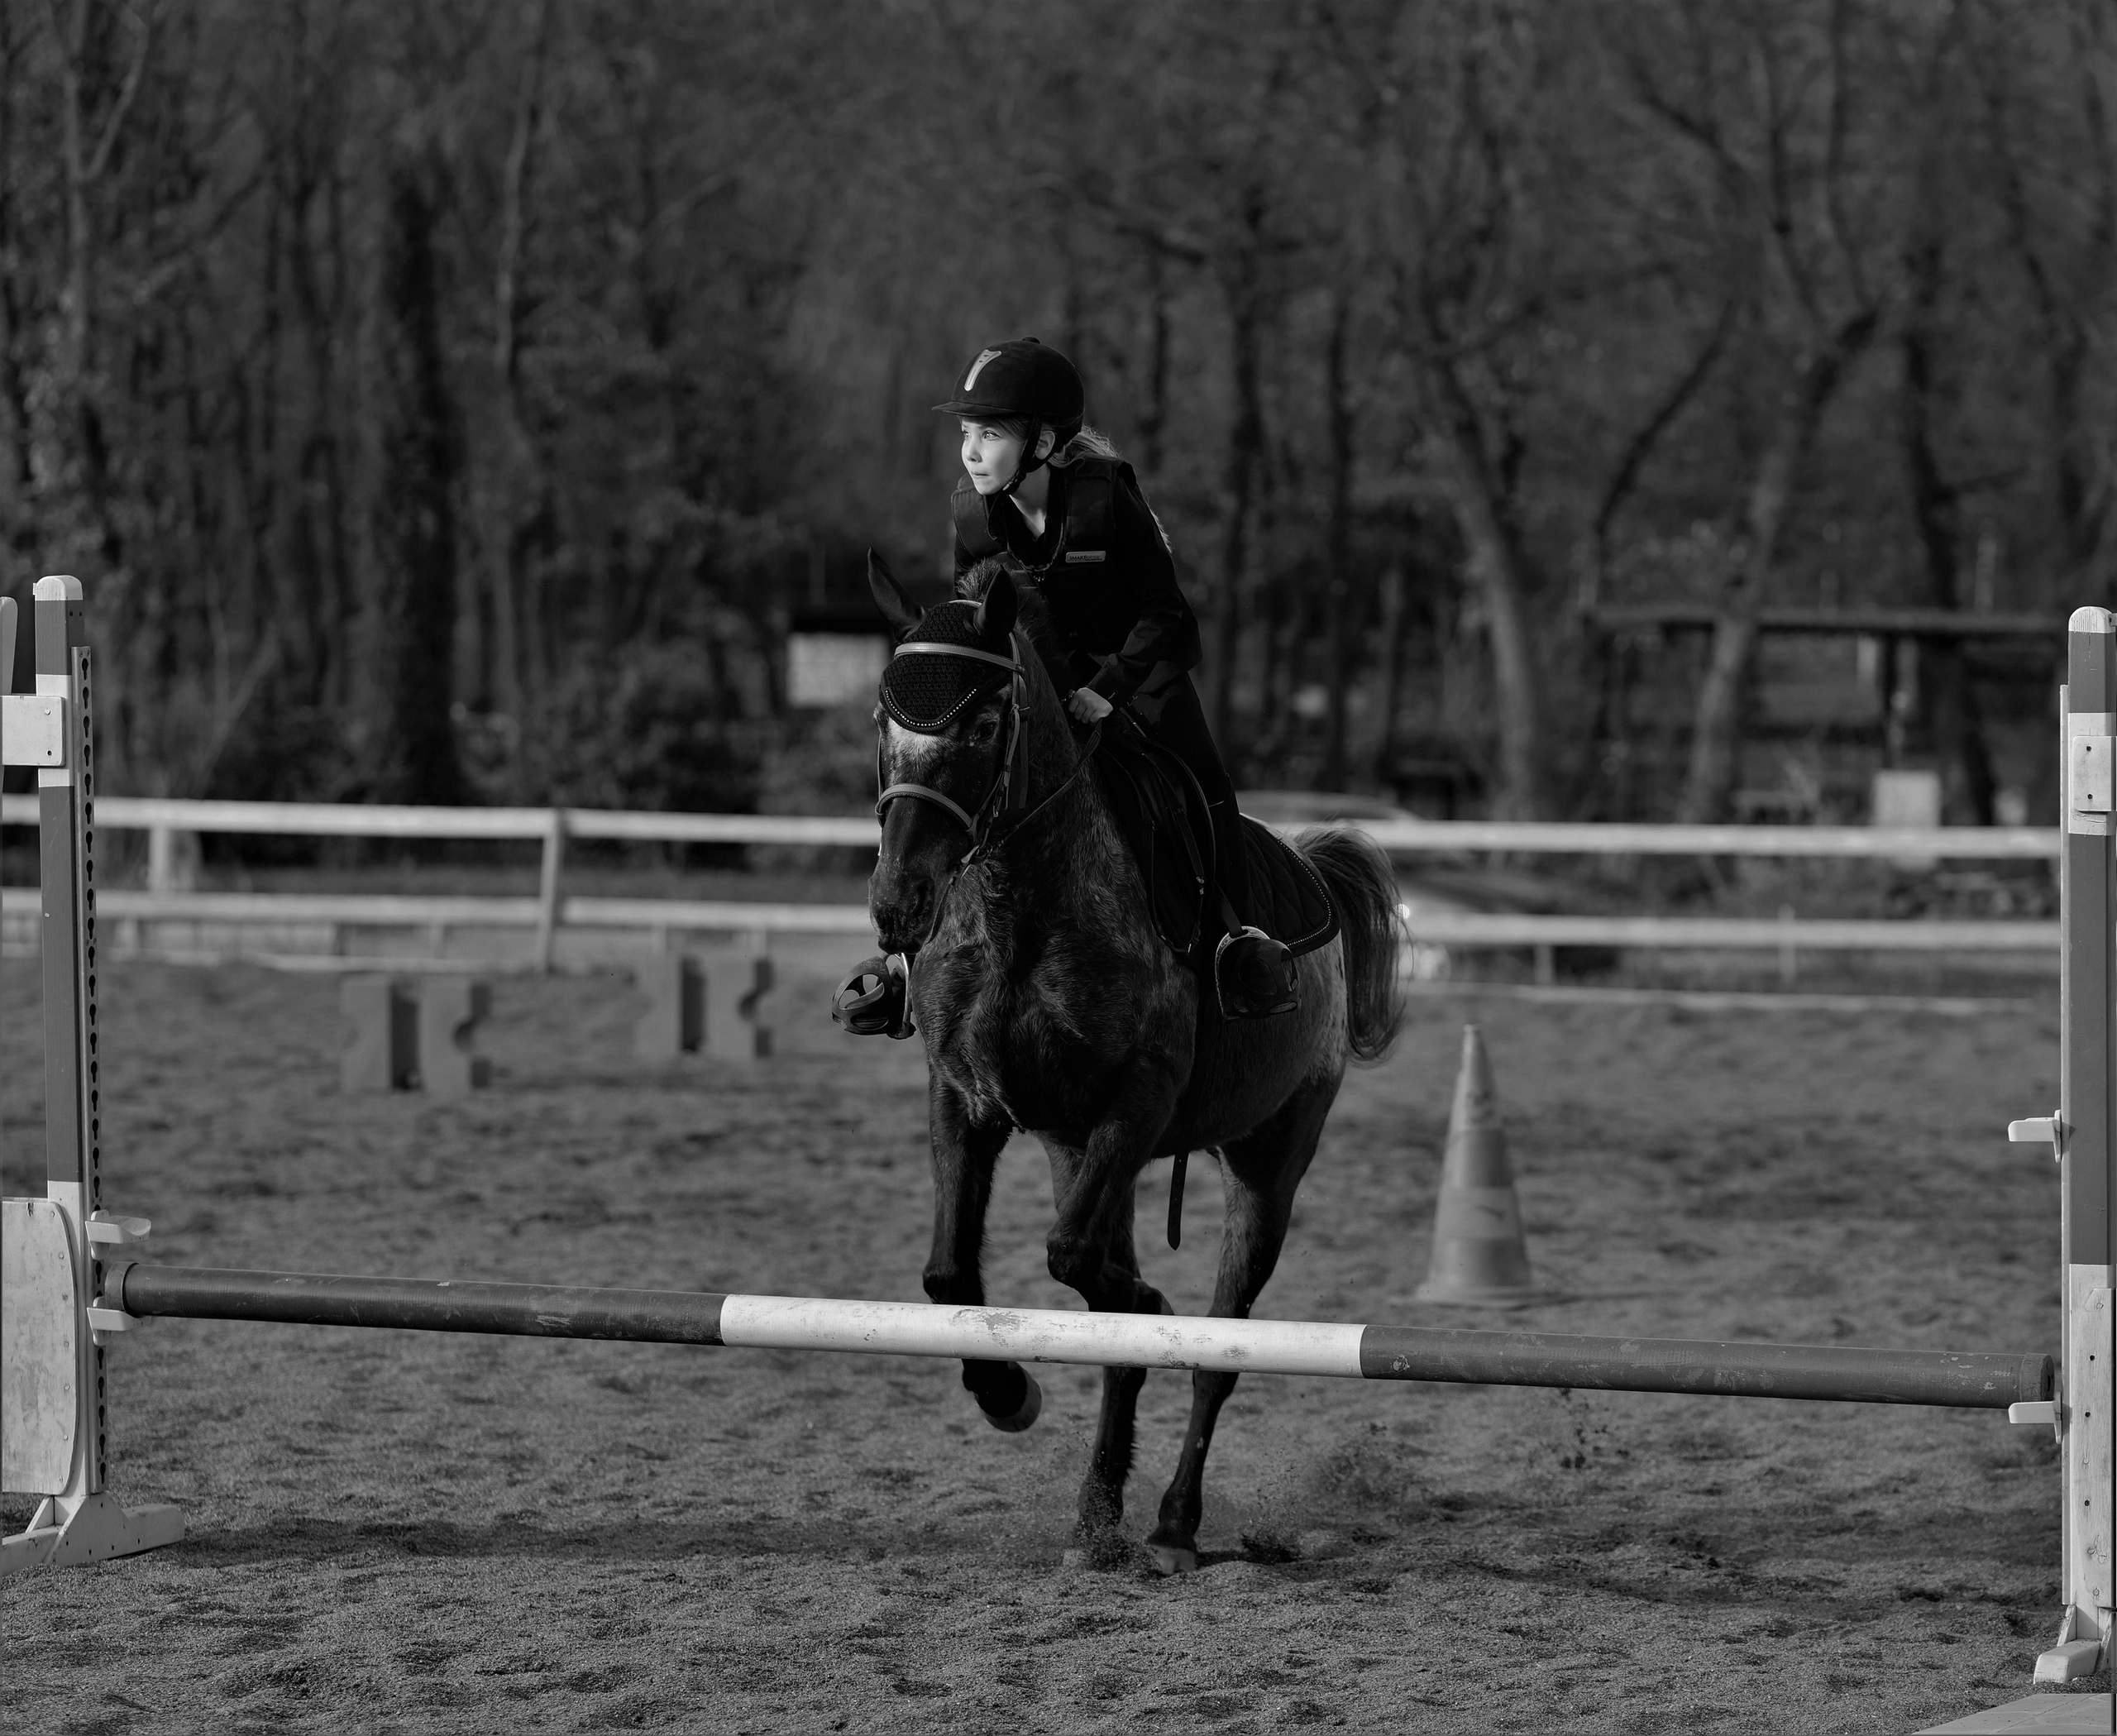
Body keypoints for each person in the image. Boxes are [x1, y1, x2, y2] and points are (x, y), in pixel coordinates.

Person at [933, 337, 1295, 1017]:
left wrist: (1109, 687)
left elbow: (1165, 610)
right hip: (1047, 677)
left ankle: (1238, 942)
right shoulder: (973, 517)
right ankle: (915, 952)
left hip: (1140, 664)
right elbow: (976, 621)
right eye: (965, 434)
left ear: (1042, 441)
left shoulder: (1105, 497)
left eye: (988, 435)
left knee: (1206, 783)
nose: (971, 453)